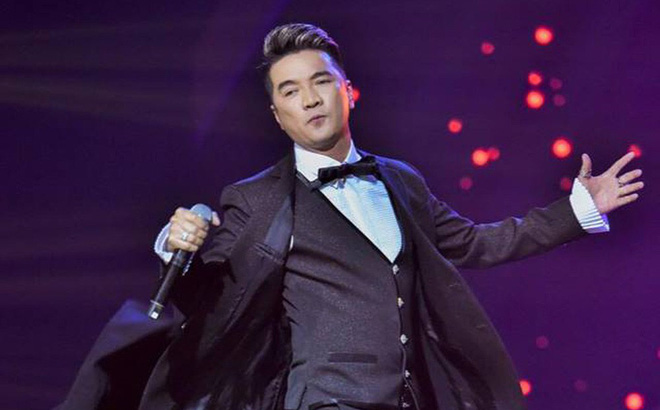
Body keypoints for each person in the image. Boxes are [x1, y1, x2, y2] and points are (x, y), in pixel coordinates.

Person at [60, 23, 644, 410]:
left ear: (347, 90)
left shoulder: (401, 181)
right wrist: (175, 244)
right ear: (277, 113)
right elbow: (211, 292)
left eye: (321, 82)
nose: (310, 99)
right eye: (291, 91)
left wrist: (577, 210)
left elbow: (475, 243)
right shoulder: (256, 198)